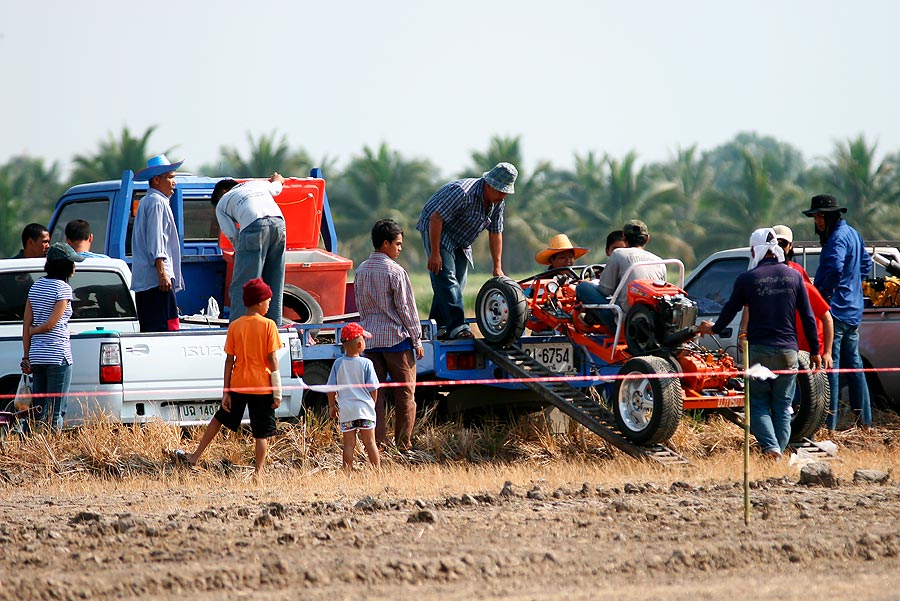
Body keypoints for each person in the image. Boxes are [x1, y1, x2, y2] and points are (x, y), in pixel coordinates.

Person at [697, 228, 821, 458]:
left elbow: (728, 312)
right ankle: (777, 451)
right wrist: (815, 350)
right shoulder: (794, 276)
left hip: (759, 353)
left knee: (758, 402)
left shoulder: (747, 279)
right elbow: (808, 316)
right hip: (788, 352)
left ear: (755, 249)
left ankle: (771, 448)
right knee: (784, 406)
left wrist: (711, 328)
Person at [176, 278, 283, 475]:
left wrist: (226, 391)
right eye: (268, 300)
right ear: (259, 302)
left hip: (238, 385)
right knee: (261, 433)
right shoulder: (269, 325)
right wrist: (277, 390)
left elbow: (229, 361)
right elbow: (273, 359)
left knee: (218, 419)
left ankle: (195, 455)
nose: (269, 304)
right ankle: (258, 473)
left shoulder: (235, 326)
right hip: (262, 387)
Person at [416, 162, 518, 340]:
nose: (503, 195)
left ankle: (438, 327)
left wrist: (497, 267)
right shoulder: (463, 193)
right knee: (447, 277)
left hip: (462, 238)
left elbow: (496, 232)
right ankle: (458, 327)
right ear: (488, 184)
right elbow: (435, 218)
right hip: (439, 229)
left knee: (458, 283)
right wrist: (434, 253)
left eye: (505, 192)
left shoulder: (497, 202)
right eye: (500, 191)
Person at [802, 194, 873, 429]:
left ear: (830, 216)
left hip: (837, 310)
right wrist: (852, 287)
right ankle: (865, 423)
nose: (817, 222)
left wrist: (822, 295)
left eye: (820, 217)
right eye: (815, 217)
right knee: (855, 367)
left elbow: (833, 267)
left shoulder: (838, 238)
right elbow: (865, 264)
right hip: (853, 309)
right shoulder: (853, 233)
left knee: (830, 364)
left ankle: (829, 425)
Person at [354, 219, 424, 451]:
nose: (400, 248)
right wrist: (417, 338)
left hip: (370, 341)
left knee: (376, 395)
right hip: (397, 341)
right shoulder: (395, 271)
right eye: (398, 243)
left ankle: (379, 445)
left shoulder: (361, 270)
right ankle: (403, 444)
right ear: (386, 243)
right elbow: (406, 308)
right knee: (405, 394)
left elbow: (361, 305)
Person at [21, 243, 85, 430]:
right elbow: (52, 324)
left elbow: (26, 324)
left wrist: (26, 356)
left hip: (38, 355)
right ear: (64, 266)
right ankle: (51, 448)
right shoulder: (63, 289)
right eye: (72, 262)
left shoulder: (36, 286)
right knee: (56, 411)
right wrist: (35, 330)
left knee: (39, 410)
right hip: (58, 355)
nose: (74, 266)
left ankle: (34, 445)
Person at [211, 173, 287, 324]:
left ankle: (238, 330)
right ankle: (274, 329)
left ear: (223, 193)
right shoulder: (256, 184)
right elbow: (277, 188)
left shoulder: (222, 203)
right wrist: (278, 179)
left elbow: (233, 234)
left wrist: (240, 254)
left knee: (244, 286)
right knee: (275, 282)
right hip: (279, 224)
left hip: (254, 226)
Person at [576, 220, 666, 331]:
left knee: (583, 287)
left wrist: (592, 284)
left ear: (624, 236)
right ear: (647, 238)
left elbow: (605, 291)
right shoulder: (659, 261)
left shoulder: (618, 254)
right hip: (651, 322)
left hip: (622, 323)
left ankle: (590, 317)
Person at [131, 154, 184, 332]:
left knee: (151, 330)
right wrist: (162, 273)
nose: (173, 182)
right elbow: (156, 240)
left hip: (148, 282)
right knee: (166, 330)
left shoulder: (148, 201)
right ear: (156, 180)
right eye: (170, 177)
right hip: (156, 282)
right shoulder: (157, 202)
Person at [328, 323, 381, 471]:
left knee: (349, 444)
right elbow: (373, 388)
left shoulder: (338, 364)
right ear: (359, 344)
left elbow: (331, 389)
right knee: (370, 443)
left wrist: (332, 406)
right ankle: (377, 472)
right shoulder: (367, 363)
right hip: (365, 409)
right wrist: (372, 403)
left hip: (346, 410)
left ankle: (347, 472)